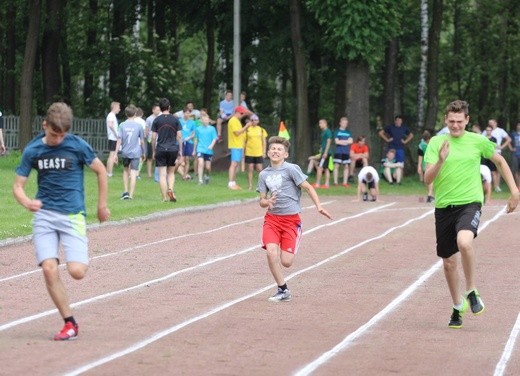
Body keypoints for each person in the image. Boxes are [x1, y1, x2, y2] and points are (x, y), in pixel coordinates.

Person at [12, 102, 110, 340]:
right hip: (45, 216)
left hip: (72, 216)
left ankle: (79, 252)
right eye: (54, 134)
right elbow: (18, 186)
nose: (58, 139)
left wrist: (101, 205)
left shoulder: (77, 146)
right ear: (45, 125)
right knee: (48, 268)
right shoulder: (33, 150)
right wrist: (27, 202)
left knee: (77, 272)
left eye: (62, 135)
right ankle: (70, 323)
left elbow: (100, 171)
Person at [424, 99, 519, 329]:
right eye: (451, 121)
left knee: (464, 242)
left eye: (460, 121)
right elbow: (427, 179)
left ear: (467, 120)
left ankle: (471, 290)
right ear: (446, 120)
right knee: (448, 263)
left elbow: (500, 160)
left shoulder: (478, 141)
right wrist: (440, 160)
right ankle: (457, 306)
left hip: (470, 203)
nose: (455, 125)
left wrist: (515, 191)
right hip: (444, 207)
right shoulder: (437, 142)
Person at [257, 136, 332, 301]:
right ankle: (283, 289)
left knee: (287, 262)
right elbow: (261, 200)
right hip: (272, 220)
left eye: (279, 149)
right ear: (268, 152)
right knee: (271, 253)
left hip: (291, 221)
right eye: (273, 149)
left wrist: (318, 206)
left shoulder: (291, 169)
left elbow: (308, 187)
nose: (275, 151)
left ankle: (287, 244)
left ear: (285, 154)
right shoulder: (264, 174)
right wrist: (266, 202)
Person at [151, 98, 183, 202]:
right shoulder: (175, 120)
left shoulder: (156, 120)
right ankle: (171, 189)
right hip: (172, 149)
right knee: (171, 173)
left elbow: (153, 137)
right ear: (169, 107)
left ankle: (164, 198)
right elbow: (179, 136)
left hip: (160, 148)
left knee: (162, 175)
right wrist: (180, 151)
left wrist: (153, 151)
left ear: (160, 108)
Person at [114, 105, 146, 200]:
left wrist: (115, 153)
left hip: (125, 152)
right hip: (136, 152)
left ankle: (125, 191)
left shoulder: (122, 125)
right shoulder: (139, 126)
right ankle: (131, 195)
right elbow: (142, 141)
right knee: (133, 172)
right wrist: (143, 152)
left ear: (126, 114)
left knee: (125, 170)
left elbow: (119, 140)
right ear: (135, 114)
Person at [482, 119, 511, 192]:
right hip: (486, 153)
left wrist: (501, 147)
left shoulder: (500, 130)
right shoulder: (485, 132)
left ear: (495, 123)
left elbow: (508, 139)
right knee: (488, 170)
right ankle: (488, 186)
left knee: (497, 170)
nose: (490, 124)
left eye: (491, 122)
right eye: (489, 123)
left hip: (496, 152)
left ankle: (497, 186)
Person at [227, 105, 250, 190]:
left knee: (236, 164)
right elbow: (237, 133)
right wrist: (246, 126)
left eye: (243, 113)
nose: (242, 115)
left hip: (238, 145)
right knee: (234, 164)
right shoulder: (233, 121)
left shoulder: (237, 121)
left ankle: (233, 182)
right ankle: (230, 183)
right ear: (236, 112)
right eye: (241, 113)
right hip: (235, 145)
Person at [244, 114, 268, 190]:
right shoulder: (247, 129)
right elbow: (244, 141)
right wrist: (243, 152)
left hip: (258, 152)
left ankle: (261, 185)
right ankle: (250, 185)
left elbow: (264, 142)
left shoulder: (261, 130)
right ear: (250, 121)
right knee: (250, 168)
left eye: (255, 120)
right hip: (249, 152)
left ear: (258, 121)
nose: (254, 121)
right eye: (252, 120)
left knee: (259, 169)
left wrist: (264, 152)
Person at [194, 113, 218, 185]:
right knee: (200, 163)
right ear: (201, 120)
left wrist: (211, 145)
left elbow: (214, 138)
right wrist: (194, 149)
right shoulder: (198, 129)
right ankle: (200, 180)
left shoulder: (212, 129)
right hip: (200, 148)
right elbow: (196, 139)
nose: (206, 121)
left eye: (207, 120)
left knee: (208, 167)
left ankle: (207, 176)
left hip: (208, 150)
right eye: (204, 120)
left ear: (209, 120)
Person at [332, 116, 353, 187]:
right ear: (340, 123)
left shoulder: (348, 132)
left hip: (346, 152)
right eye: (343, 123)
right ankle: (335, 182)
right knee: (336, 166)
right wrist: (346, 141)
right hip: (338, 151)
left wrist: (342, 141)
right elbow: (337, 142)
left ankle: (345, 182)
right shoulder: (337, 132)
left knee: (346, 166)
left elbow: (351, 141)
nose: (344, 124)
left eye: (346, 123)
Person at [312, 119, 333, 189]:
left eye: (321, 123)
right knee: (326, 168)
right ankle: (326, 184)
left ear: (325, 123)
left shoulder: (328, 131)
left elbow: (329, 141)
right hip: (323, 152)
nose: (319, 125)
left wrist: (325, 152)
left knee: (320, 168)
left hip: (326, 153)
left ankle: (317, 184)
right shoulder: (323, 132)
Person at [178, 107, 196, 180]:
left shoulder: (192, 122)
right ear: (183, 113)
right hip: (180, 142)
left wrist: (189, 137)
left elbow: (193, 133)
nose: (188, 114)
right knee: (180, 159)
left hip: (188, 142)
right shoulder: (179, 121)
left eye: (189, 113)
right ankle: (180, 173)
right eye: (186, 113)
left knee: (187, 159)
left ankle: (185, 175)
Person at [417, 130, 434, 202]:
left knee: (430, 179)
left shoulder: (433, 143)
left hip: (432, 161)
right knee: (429, 179)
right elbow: (420, 156)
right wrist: (419, 166)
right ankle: (430, 194)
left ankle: (430, 194)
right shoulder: (422, 145)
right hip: (427, 162)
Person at [145, 103, 160, 178]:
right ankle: (149, 173)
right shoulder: (149, 119)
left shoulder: (161, 117)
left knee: (158, 157)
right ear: (153, 110)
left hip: (159, 140)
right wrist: (147, 138)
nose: (158, 111)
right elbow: (147, 130)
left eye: (159, 110)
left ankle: (157, 173)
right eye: (157, 110)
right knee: (150, 157)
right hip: (151, 139)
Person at [105, 101, 121, 177]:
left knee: (111, 155)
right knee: (112, 155)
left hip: (112, 137)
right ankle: (110, 173)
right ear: (114, 107)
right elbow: (110, 125)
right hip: (113, 138)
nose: (119, 109)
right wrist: (116, 134)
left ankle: (108, 172)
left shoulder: (112, 115)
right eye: (118, 107)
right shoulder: (111, 115)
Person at [508, 122, 520, 186]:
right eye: (518, 125)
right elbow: (508, 140)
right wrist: (511, 148)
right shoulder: (513, 134)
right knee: (516, 171)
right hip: (515, 154)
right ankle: (518, 186)